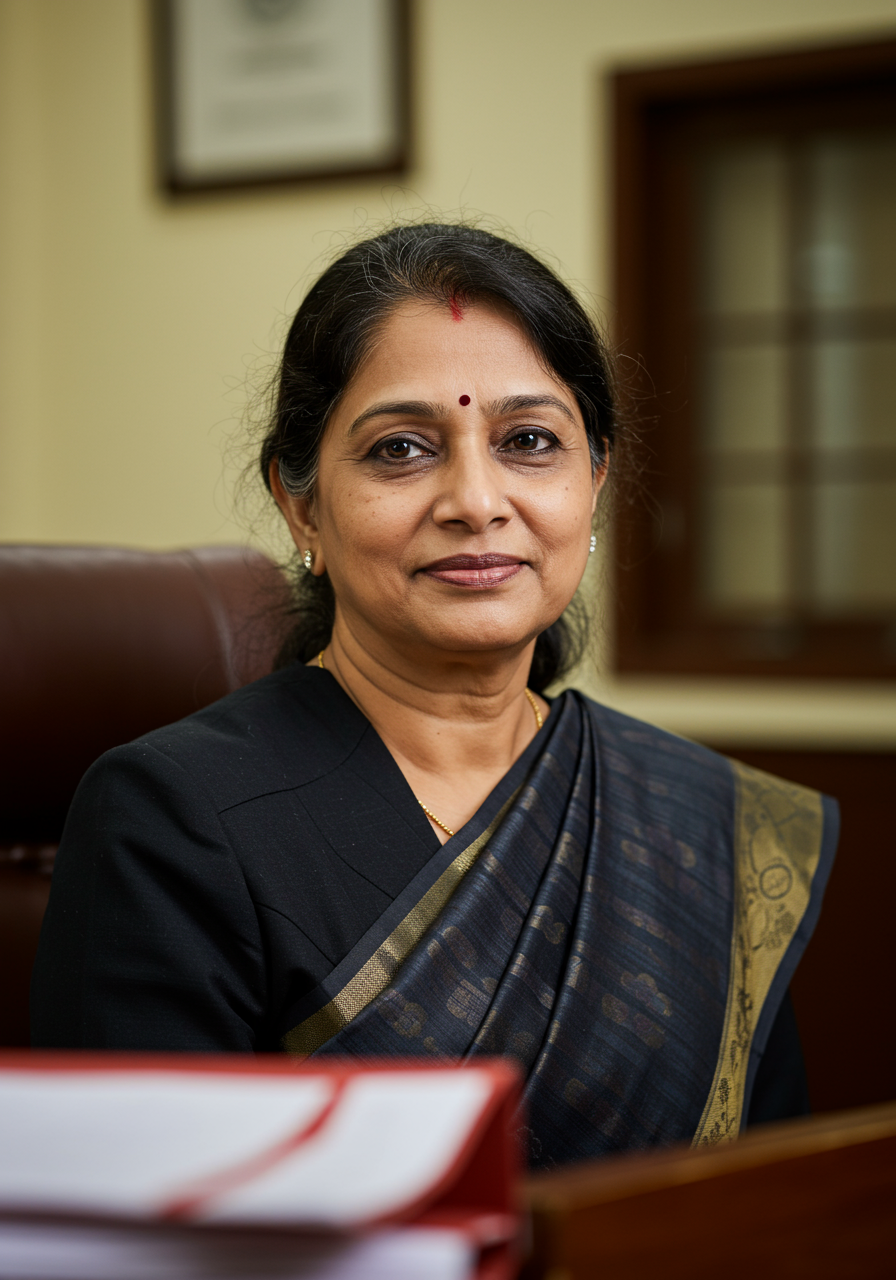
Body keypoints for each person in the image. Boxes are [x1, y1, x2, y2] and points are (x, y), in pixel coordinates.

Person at [31, 223, 837, 1168]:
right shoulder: (170, 820)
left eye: (529, 441)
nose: (477, 499)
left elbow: (777, 1204)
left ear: (596, 481)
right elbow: (139, 1226)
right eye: (402, 449)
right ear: (301, 507)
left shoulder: (702, 822)